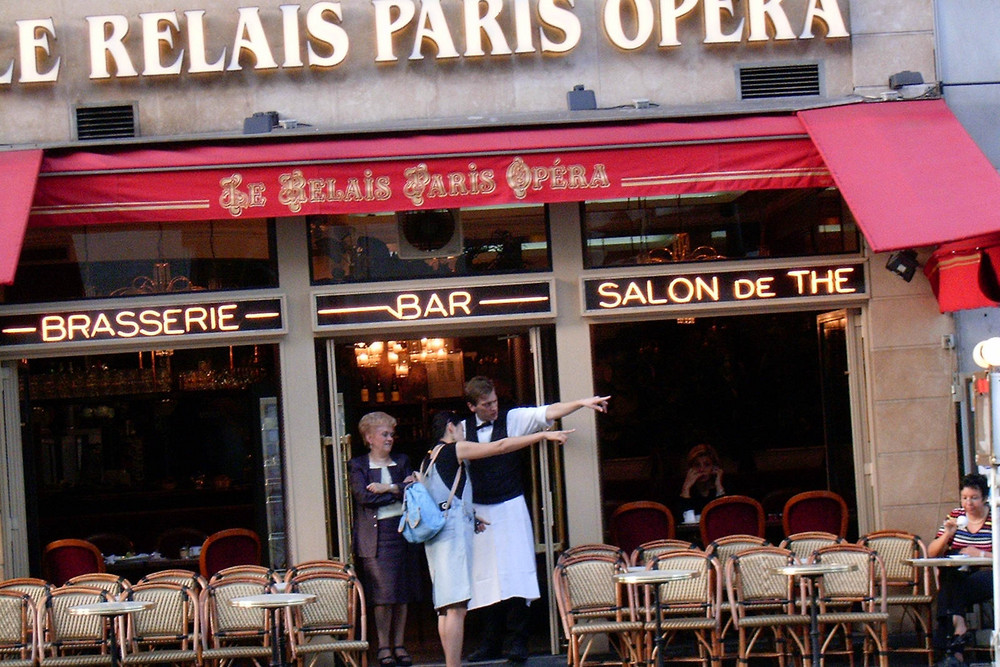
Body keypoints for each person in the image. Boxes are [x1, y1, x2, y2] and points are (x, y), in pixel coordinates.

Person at [463, 376, 610, 663]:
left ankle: (519, 642)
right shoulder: (460, 430)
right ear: (472, 406)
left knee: (517, 572)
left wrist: (581, 402)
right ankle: (490, 643)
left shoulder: (513, 418)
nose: (493, 408)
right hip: (479, 509)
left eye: (495, 402)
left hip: (510, 505)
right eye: (486, 405)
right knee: (485, 578)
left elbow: (548, 411)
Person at [422, 410, 574, 667]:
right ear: (450, 427)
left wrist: (473, 517)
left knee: (444, 607)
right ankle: (453, 665)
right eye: (460, 428)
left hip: (435, 537)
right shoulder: (453, 450)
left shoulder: (428, 458)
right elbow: (500, 446)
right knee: (457, 608)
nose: (463, 432)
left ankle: (451, 663)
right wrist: (541, 436)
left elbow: (441, 496)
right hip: (453, 538)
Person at [347, 412, 419, 667]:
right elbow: (364, 498)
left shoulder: (402, 460)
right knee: (383, 594)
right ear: (369, 437)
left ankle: (400, 645)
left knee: (403, 593)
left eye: (391, 434)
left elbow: (414, 490)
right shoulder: (358, 465)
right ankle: (384, 647)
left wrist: (388, 488)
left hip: (403, 532)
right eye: (384, 434)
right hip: (376, 537)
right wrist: (399, 491)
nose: (390, 438)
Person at [927, 473, 993, 665]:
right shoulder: (955, 516)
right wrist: (947, 535)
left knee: (948, 590)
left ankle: (951, 649)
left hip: (987, 574)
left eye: (974, 498)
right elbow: (932, 553)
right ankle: (958, 634)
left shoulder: (995, 518)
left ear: (985, 498)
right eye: (964, 498)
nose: (968, 503)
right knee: (950, 575)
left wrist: (978, 554)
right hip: (959, 575)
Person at [676, 443, 725, 519]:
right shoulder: (684, 492)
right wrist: (686, 489)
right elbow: (684, 520)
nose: (702, 470)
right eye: (697, 465)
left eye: (707, 465)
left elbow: (725, 517)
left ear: (714, 467)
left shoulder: (723, 488)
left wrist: (719, 488)